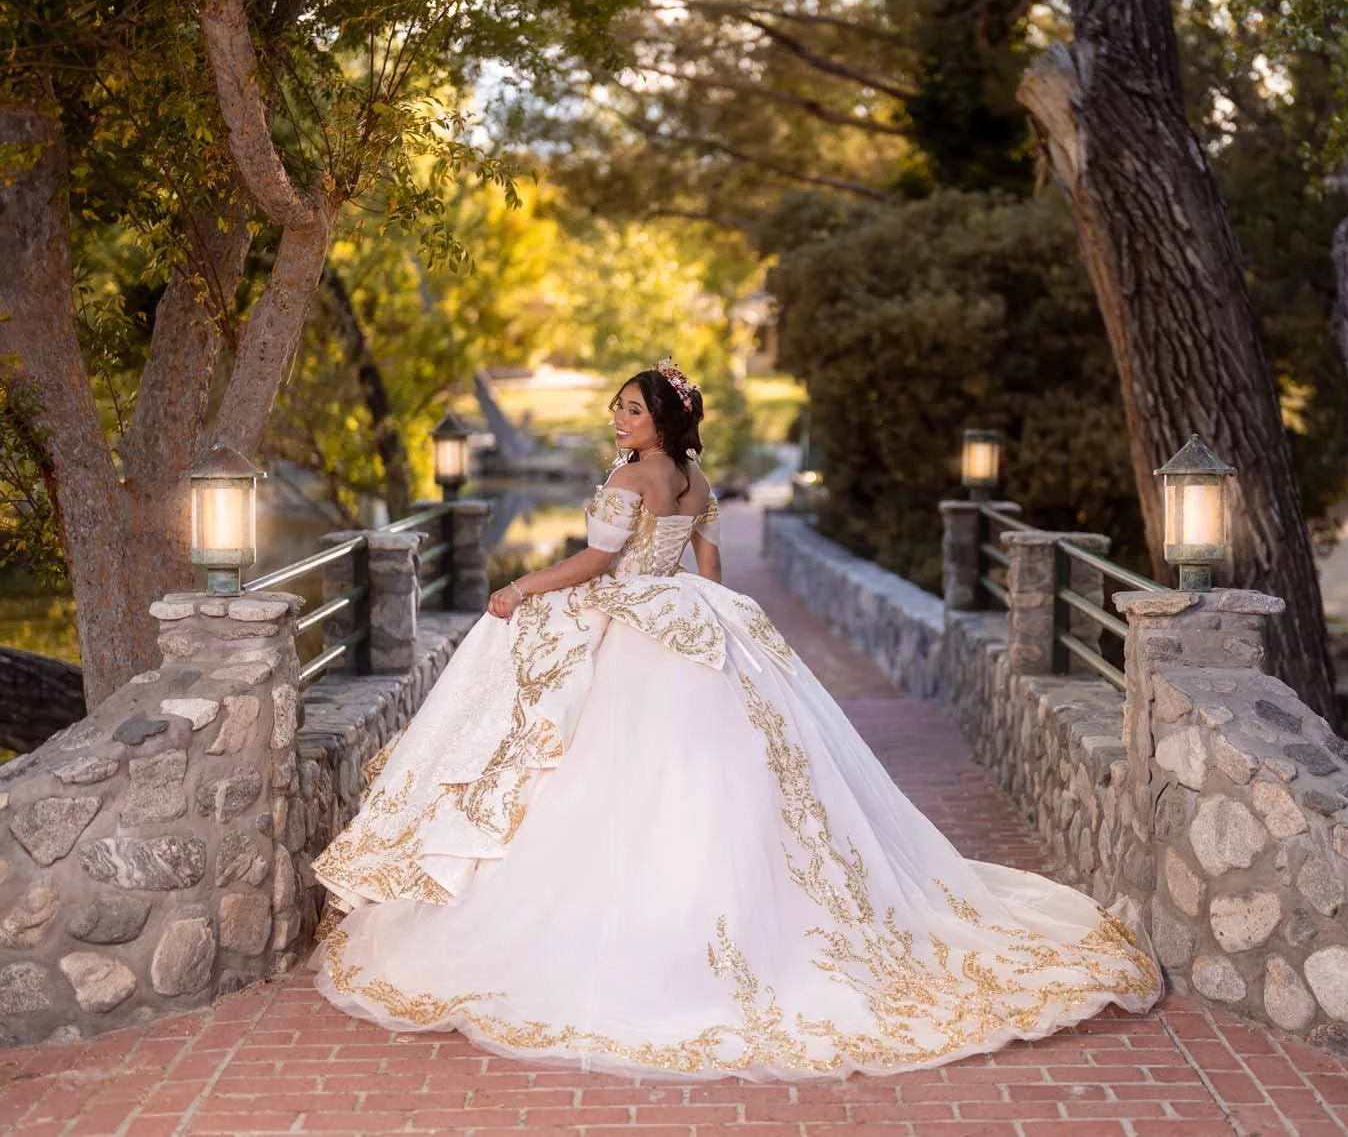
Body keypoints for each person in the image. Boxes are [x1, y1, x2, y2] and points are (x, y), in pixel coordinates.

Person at [310, 359, 1161, 1080]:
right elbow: (709, 571)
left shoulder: (627, 478)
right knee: (721, 773)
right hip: (691, 615)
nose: (618, 418)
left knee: (594, 764)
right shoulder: (696, 480)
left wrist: (520, 586)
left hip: (632, 619)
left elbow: (599, 560)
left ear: (661, 418)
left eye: (631, 408)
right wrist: (713, 629)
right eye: (617, 407)